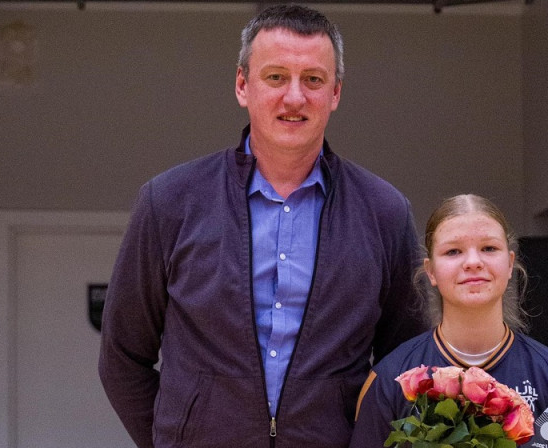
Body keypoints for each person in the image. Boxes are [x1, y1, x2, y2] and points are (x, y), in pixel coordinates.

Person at [98, 5, 426, 448]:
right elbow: (122, 357)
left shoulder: (384, 211)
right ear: (242, 86)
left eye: (313, 79)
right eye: (275, 77)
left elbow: (406, 365)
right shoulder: (170, 201)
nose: (294, 98)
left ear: (335, 94)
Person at [350, 194, 548, 448]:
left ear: (510, 263)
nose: (473, 262)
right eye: (453, 251)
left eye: (489, 248)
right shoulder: (390, 379)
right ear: (431, 271)